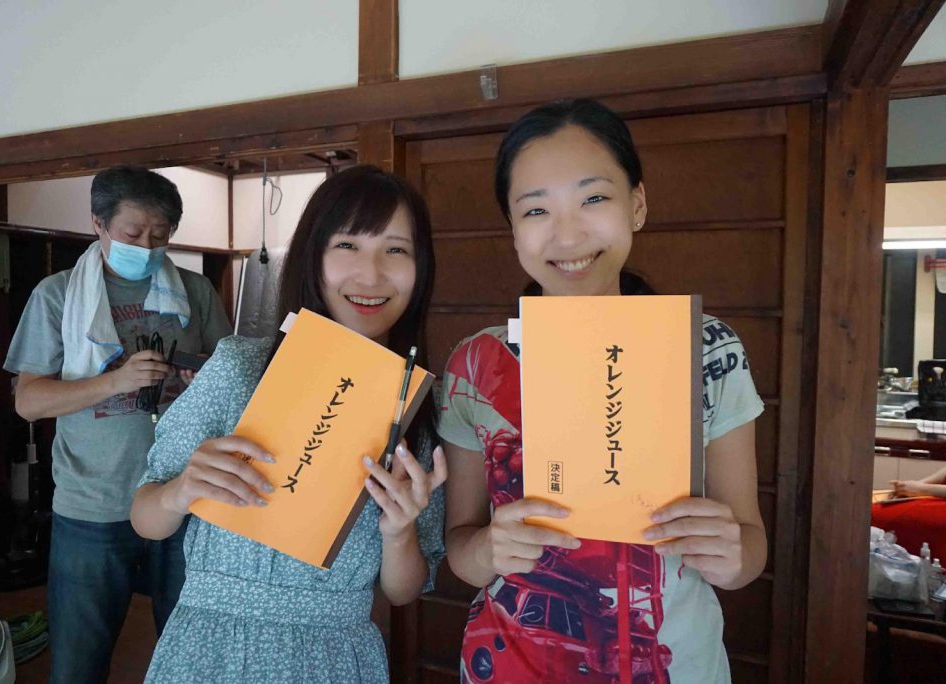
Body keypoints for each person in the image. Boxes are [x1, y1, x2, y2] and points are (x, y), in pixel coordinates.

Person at [438, 99, 767, 683]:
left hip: (672, 666)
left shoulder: (706, 350)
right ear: (513, 230)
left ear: (636, 205)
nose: (568, 233)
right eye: (536, 209)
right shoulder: (476, 365)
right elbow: (461, 548)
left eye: (594, 198)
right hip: (514, 665)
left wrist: (734, 557)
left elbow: (749, 546)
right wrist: (490, 550)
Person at [129, 164, 446, 683]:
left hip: (333, 656)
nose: (371, 275)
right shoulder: (238, 368)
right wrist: (181, 489)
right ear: (312, 256)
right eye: (347, 246)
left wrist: (398, 531)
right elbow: (145, 515)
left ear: (421, 268)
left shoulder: (412, 412)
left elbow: (403, 589)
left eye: (396, 249)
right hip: (208, 646)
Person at [4, 166, 233, 684]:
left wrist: (200, 380)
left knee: (190, 657)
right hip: (92, 506)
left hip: (184, 499)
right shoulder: (57, 295)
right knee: (78, 663)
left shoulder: (194, 292)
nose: (148, 247)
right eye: (133, 234)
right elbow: (30, 401)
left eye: (161, 236)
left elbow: (231, 377)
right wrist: (114, 382)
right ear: (98, 224)